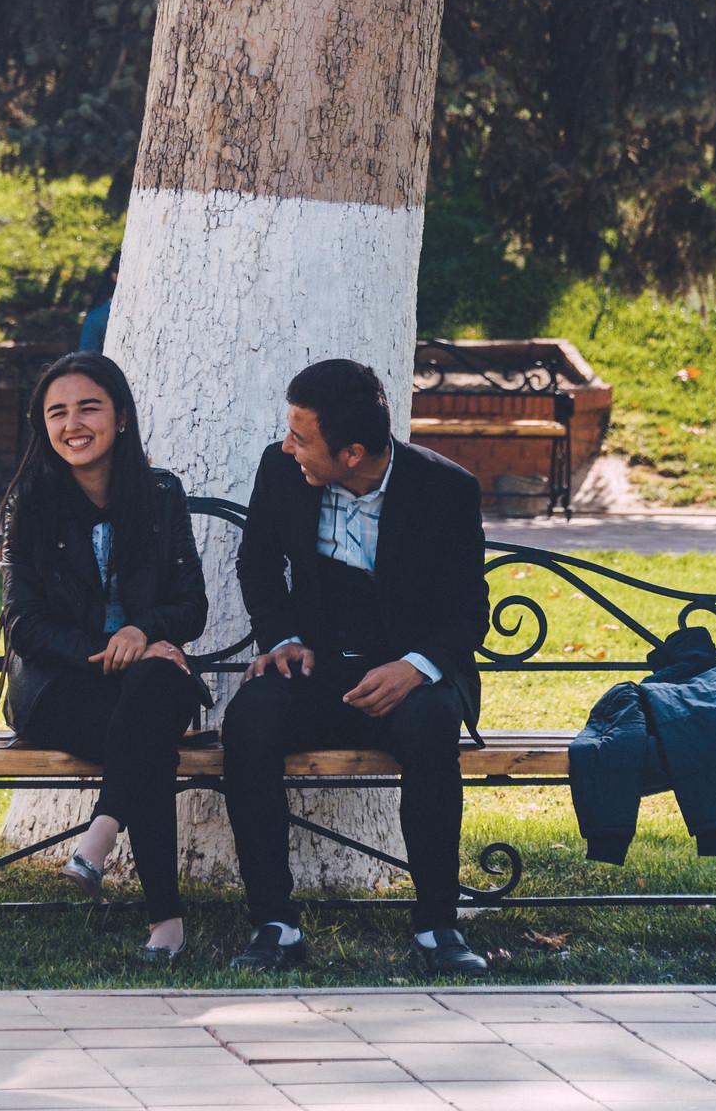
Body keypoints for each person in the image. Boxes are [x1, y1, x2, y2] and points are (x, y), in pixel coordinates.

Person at [222, 358, 491, 977]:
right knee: (249, 720)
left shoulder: (446, 489)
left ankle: (436, 925)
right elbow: (257, 563)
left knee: (430, 731)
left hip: (406, 674)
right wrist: (283, 637)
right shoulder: (281, 470)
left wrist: (416, 668)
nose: (288, 446)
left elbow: (467, 612)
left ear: (352, 452)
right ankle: (275, 923)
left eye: (301, 437)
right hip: (315, 670)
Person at [0, 350, 208, 961]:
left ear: (121, 415)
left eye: (88, 407)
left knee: (151, 697)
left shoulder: (161, 494)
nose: (73, 424)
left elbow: (189, 606)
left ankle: (101, 835)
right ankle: (165, 921)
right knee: (147, 737)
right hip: (60, 689)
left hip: (146, 682)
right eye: (57, 412)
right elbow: (22, 623)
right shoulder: (31, 504)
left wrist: (142, 632)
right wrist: (111, 649)